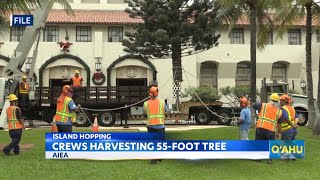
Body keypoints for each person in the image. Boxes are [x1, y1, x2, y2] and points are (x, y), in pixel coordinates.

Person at [253, 93, 282, 164]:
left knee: (259, 142)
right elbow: (279, 124)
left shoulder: (263, 105)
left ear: (270, 99)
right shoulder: (279, 111)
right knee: (270, 144)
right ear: (278, 102)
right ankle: (269, 159)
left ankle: (258, 158)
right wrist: (278, 132)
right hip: (271, 130)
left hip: (261, 127)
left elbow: (254, 105)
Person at [143, 85, 166, 165]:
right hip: (160, 125)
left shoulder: (145, 104)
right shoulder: (162, 102)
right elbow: (165, 111)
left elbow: (145, 114)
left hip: (150, 126)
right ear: (157, 93)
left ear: (149, 93)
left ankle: (154, 158)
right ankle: (159, 158)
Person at [278, 94, 299, 160]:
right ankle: (294, 156)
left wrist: (292, 125)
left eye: (281, 100)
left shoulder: (284, 109)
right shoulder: (292, 108)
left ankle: (286, 157)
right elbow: (296, 117)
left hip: (287, 130)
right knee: (292, 142)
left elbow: (286, 119)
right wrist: (294, 124)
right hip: (293, 130)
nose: (280, 101)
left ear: (284, 101)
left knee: (286, 143)